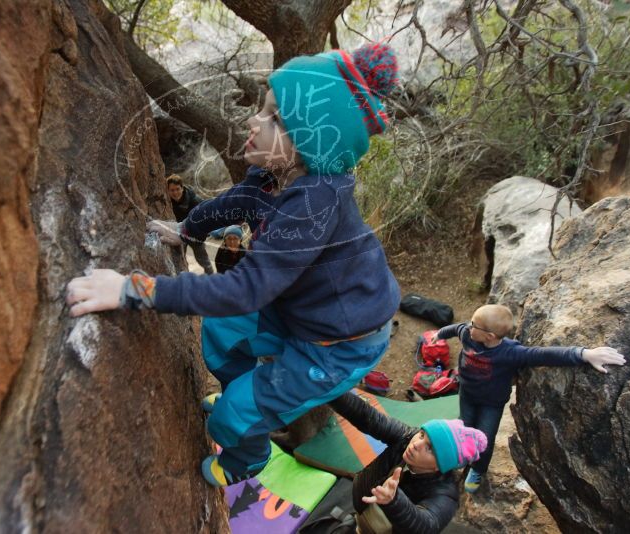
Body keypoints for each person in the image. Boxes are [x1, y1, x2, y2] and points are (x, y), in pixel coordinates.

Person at [66, 42, 402, 487]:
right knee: (224, 335)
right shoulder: (274, 175)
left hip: (338, 344)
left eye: (276, 119)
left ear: (311, 143)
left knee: (233, 417)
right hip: (303, 311)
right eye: (263, 109)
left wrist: (135, 289)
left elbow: (245, 289)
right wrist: (186, 228)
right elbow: (235, 203)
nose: (255, 122)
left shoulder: (313, 204)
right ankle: (243, 397)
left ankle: (247, 454)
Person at [432, 304, 626, 493]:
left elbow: (544, 355)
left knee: (485, 437)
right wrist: (439, 335)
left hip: (491, 403)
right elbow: (455, 328)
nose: (468, 326)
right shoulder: (468, 333)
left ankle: (478, 469)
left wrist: (584, 354)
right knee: (464, 426)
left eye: (474, 325)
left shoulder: (510, 353)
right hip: (467, 394)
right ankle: (461, 455)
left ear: (489, 336)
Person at [328, 391, 487, 534]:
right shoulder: (407, 437)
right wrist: (331, 392)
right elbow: (368, 417)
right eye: (422, 434)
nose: (416, 444)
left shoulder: (446, 495)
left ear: (439, 466)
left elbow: (425, 526)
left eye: (430, 448)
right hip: (363, 512)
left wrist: (394, 501)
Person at [166, 174, 214, 274]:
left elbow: (207, 217)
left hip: (195, 233)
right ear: (168, 191)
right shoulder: (167, 202)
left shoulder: (195, 200)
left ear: (182, 188)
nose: (175, 192)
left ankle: (211, 277)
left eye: (177, 189)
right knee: (179, 258)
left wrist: (203, 234)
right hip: (179, 232)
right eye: (172, 190)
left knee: (202, 259)